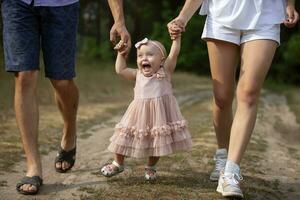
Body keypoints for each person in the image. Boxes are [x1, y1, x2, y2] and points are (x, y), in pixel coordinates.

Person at [168, 0, 299, 198]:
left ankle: (231, 171)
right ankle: (222, 154)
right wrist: (183, 16)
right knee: (222, 97)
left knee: (248, 93)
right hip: (222, 15)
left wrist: (289, 4)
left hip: (265, 15)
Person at [1, 0, 80, 195]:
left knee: (62, 81)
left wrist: (119, 20)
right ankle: (33, 166)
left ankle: (70, 130)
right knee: (24, 76)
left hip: (62, 5)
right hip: (17, 4)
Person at [100, 35, 193, 180]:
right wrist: (121, 55)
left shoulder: (166, 71)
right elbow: (121, 70)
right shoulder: (137, 74)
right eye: (140, 55)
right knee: (122, 138)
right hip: (137, 115)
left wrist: (177, 38)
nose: (144, 58)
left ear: (162, 60)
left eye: (150, 55)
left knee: (157, 142)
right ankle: (118, 163)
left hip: (159, 116)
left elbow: (174, 53)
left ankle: (151, 167)